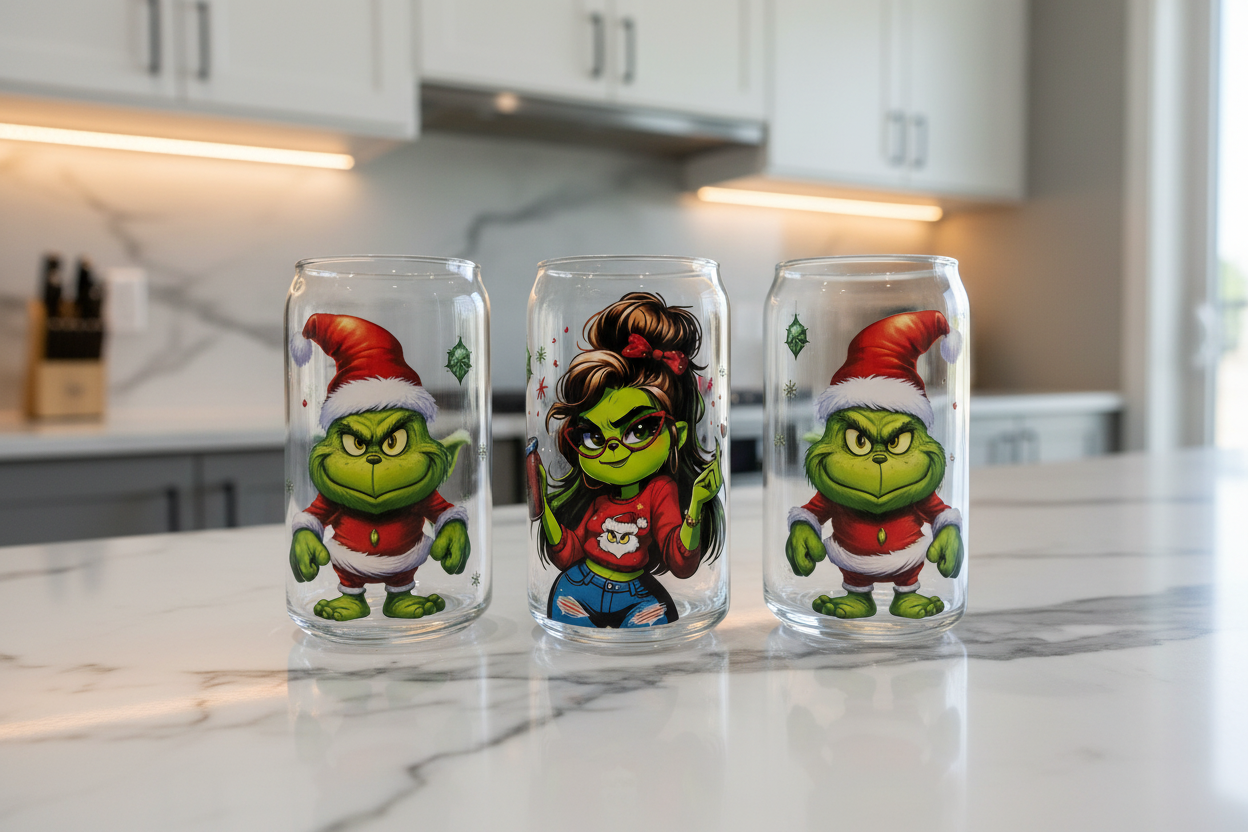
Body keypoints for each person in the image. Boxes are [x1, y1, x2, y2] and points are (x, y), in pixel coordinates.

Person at [528, 292, 724, 628]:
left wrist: (696, 503)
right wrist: (542, 503)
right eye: (593, 436)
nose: (614, 449)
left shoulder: (660, 492)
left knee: (654, 622)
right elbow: (569, 553)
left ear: (677, 433)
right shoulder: (598, 499)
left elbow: (681, 563)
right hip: (577, 587)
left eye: (639, 430)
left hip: (636, 594)